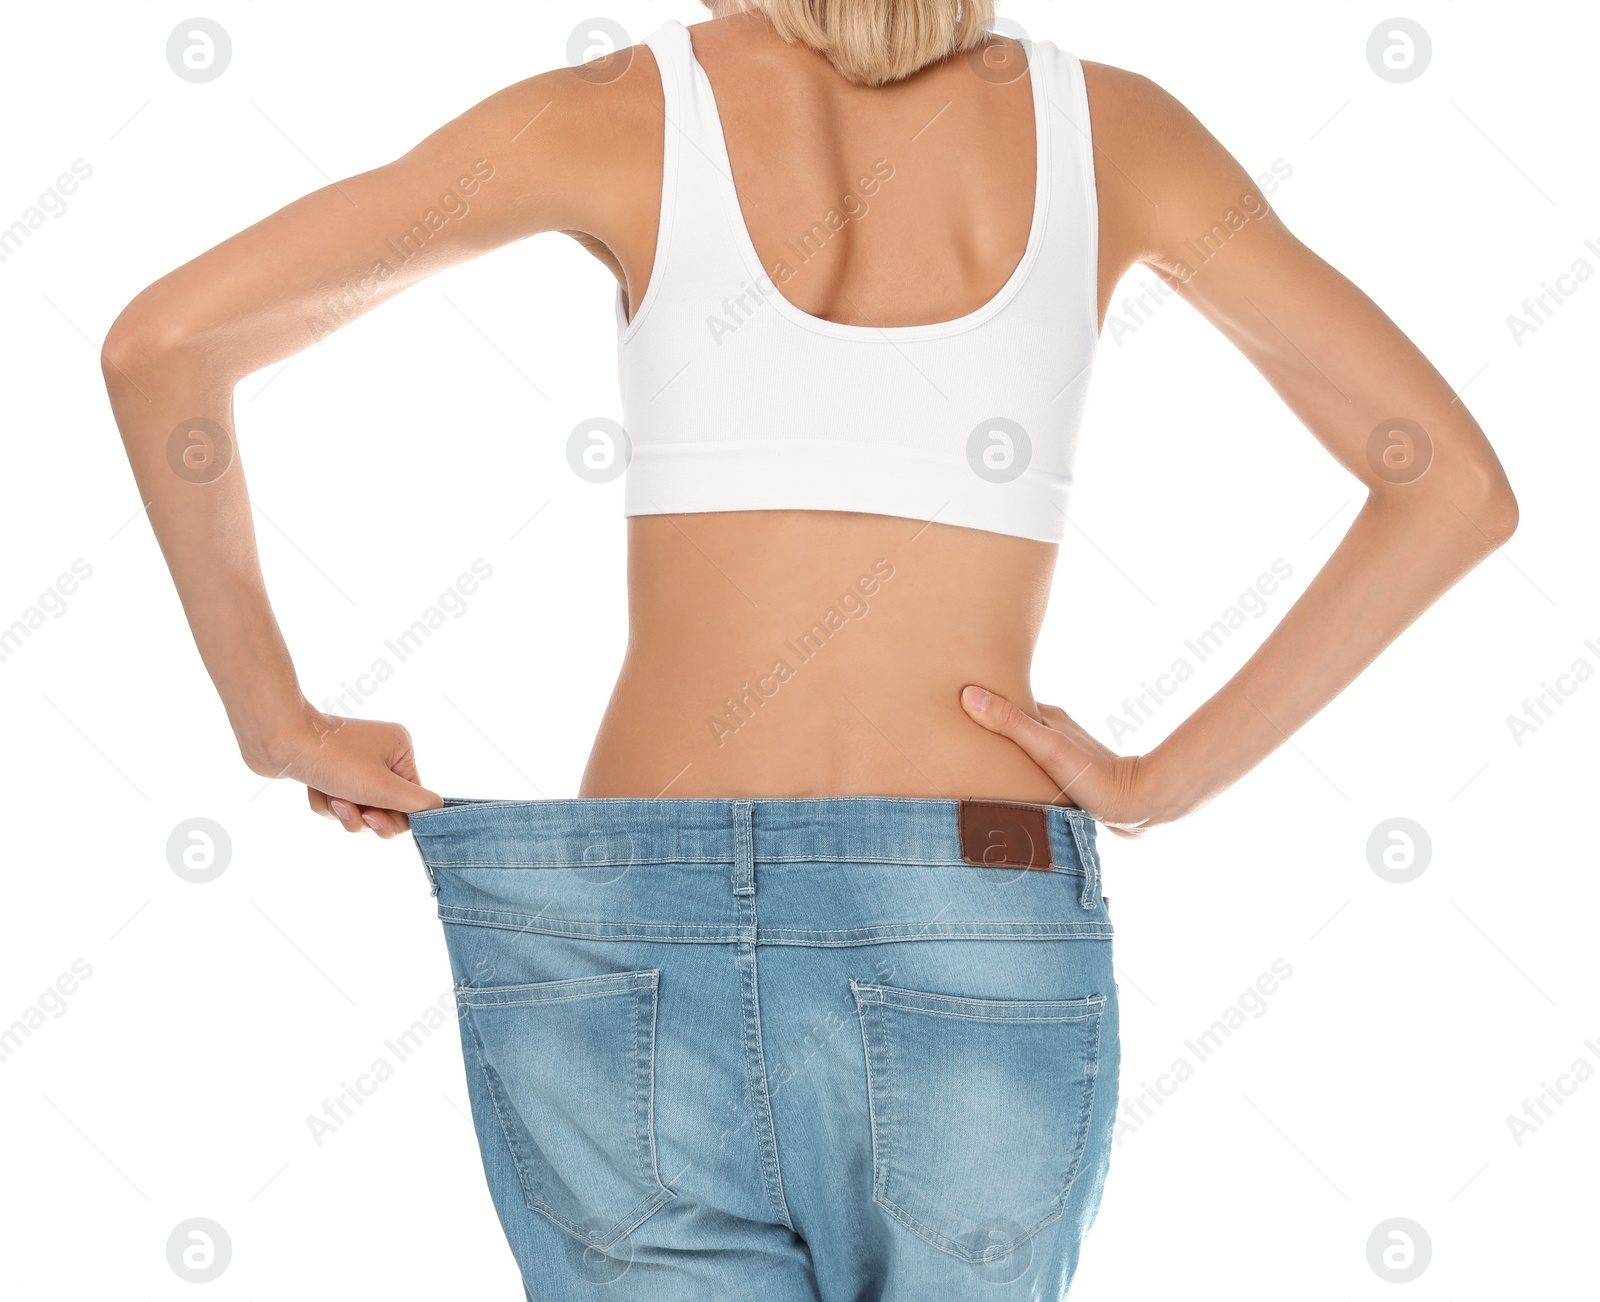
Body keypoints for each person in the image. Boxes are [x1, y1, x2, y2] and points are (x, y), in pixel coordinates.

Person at [101, 1, 1517, 1297]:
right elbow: (1448, 482)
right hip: (970, 912)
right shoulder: (1115, 134)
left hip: (629, 927)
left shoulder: (620, 113)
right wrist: (1159, 779)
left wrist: (272, 717)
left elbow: (163, 341)